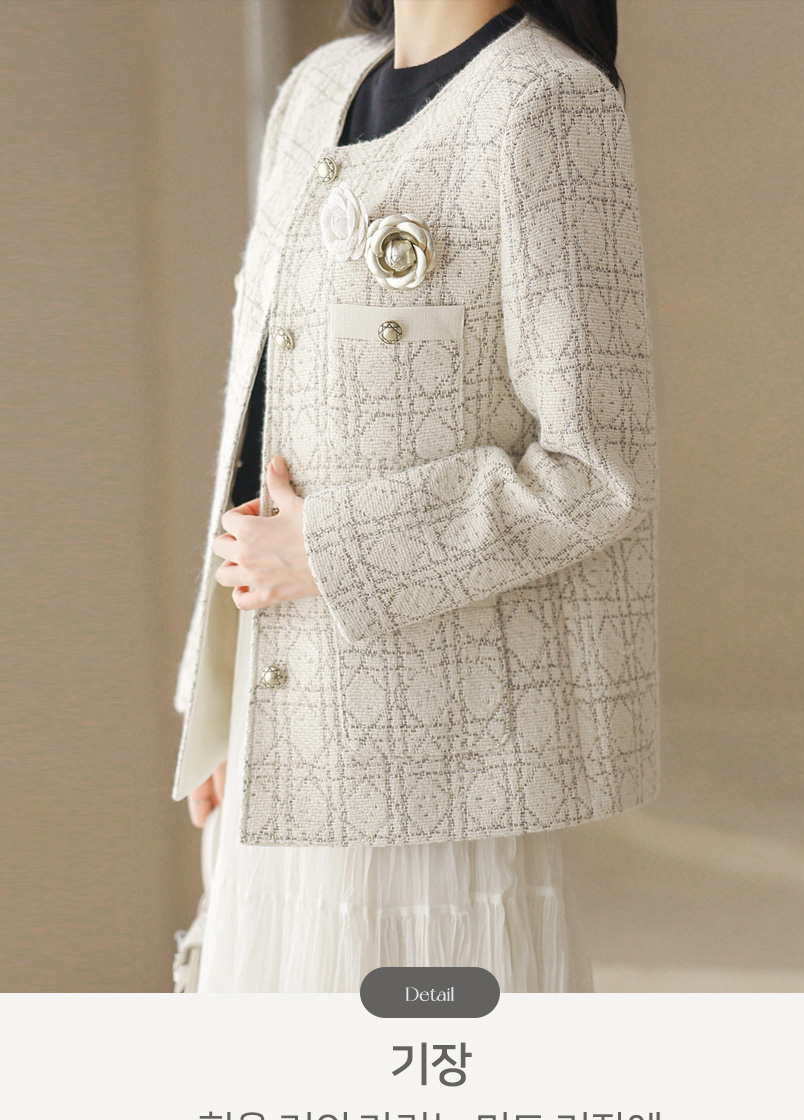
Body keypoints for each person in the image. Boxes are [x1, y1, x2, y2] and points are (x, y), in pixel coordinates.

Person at [170, 0, 658, 993]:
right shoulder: (315, 89)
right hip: (279, 720)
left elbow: (597, 467)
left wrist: (330, 547)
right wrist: (221, 701)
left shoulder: (546, 104)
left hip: (435, 759)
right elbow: (256, 410)